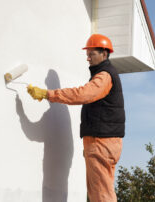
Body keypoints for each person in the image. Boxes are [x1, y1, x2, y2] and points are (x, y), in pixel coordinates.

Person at [27, 34, 125, 202]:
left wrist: (48, 94)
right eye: (87, 54)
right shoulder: (104, 74)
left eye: (91, 53)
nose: (87, 58)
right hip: (101, 142)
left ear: (104, 53)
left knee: (101, 194)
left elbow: (84, 94)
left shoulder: (104, 75)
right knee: (98, 193)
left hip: (101, 142)